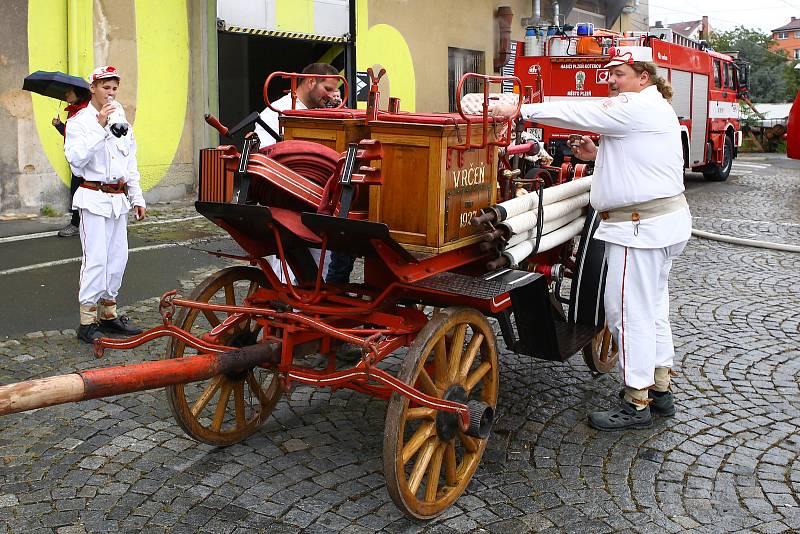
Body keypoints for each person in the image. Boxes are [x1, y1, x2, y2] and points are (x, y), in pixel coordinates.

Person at [492, 46, 691, 431]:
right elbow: (640, 161)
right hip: (659, 225)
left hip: (638, 231)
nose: (611, 80)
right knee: (653, 309)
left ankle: (636, 402)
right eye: (611, 73)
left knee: (626, 313)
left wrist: (520, 109)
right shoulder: (652, 108)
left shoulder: (635, 107)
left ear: (642, 77)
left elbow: (581, 110)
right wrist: (598, 153)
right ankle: (661, 388)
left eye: (618, 73)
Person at [64, 65, 146, 343]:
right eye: (105, 87)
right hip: (93, 197)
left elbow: (129, 161)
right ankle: (87, 321)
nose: (110, 93)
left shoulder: (121, 119)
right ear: (93, 88)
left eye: (114, 88)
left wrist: (137, 196)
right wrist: (99, 126)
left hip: (117, 200)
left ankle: (108, 315)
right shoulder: (79, 122)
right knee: (95, 260)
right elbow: (76, 163)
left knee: (117, 260)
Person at [253, 63, 348, 284]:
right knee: (287, 262)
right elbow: (267, 157)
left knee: (322, 257)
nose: (333, 95)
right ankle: (287, 305)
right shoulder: (278, 111)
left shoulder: (324, 112)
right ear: (310, 81)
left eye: (336, 91)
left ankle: (317, 298)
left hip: (318, 200)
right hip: (286, 196)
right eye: (328, 89)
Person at [53, 87, 91, 237]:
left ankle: (78, 224)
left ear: (79, 94)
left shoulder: (86, 112)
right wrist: (59, 126)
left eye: (69, 91)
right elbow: (71, 136)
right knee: (75, 191)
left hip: (87, 161)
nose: (66, 94)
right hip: (76, 162)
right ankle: (77, 223)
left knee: (86, 191)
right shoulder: (72, 111)